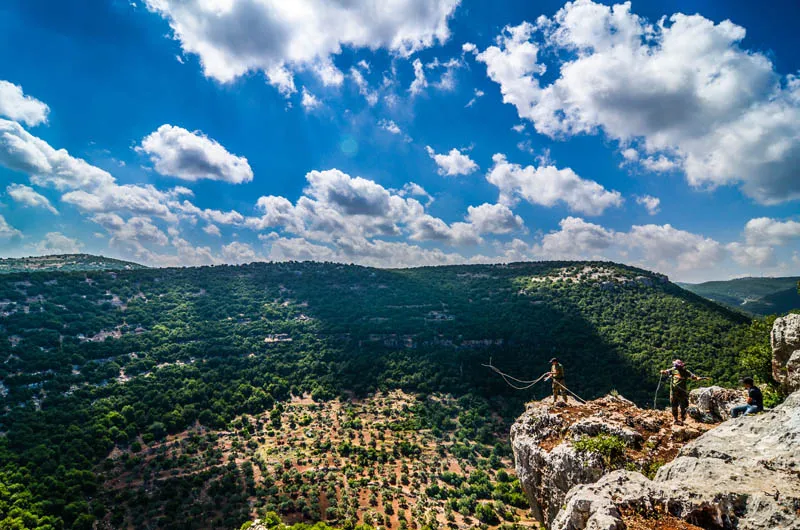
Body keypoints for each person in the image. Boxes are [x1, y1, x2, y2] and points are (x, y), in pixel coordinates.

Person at [660, 359, 706, 425]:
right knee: (674, 405)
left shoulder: (685, 372)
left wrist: (699, 378)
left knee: (683, 406)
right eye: (676, 365)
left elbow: (693, 376)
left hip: (682, 392)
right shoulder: (673, 370)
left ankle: (683, 419)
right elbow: (666, 372)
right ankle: (675, 419)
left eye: (677, 365)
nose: (676, 366)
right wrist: (663, 371)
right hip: (674, 392)